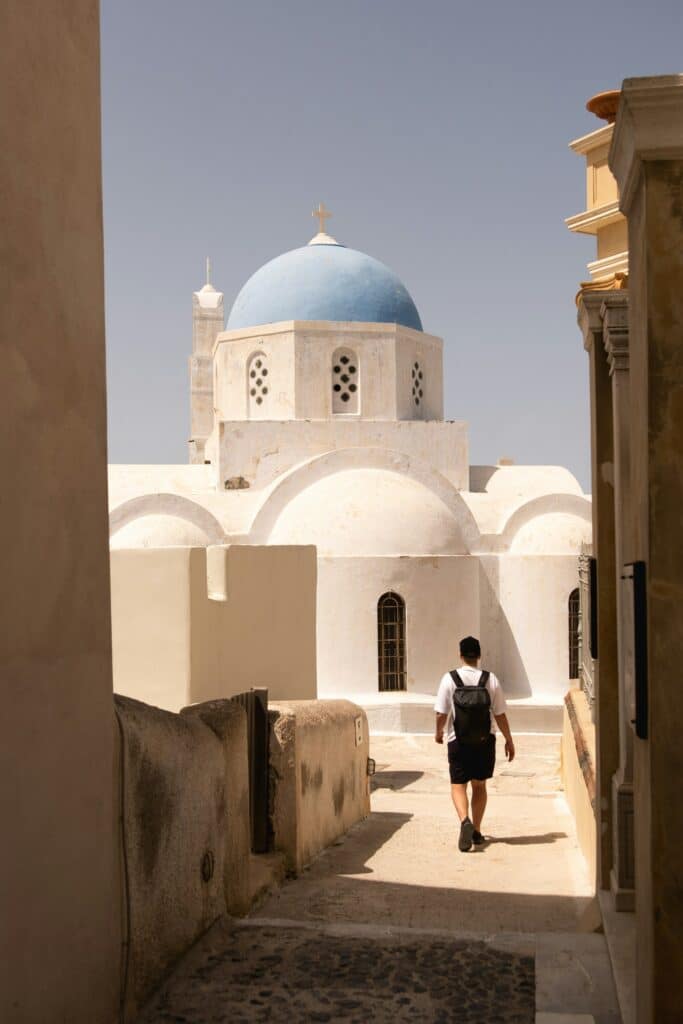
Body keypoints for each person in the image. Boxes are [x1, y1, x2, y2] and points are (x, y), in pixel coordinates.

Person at [434, 636, 515, 852]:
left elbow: (441, 712)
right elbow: (499, 713)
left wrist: (439, 732)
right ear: (479, 656)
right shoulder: (490, 680)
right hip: (484, 740)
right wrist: (509, 739)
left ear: (460, 655)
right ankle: (477, 831)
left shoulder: (449, 679)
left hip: (457, 740)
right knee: (479, 785)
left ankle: (464, 821)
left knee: (458, 785)